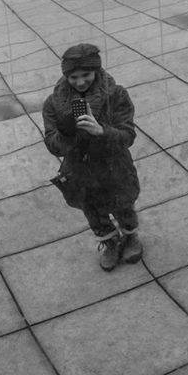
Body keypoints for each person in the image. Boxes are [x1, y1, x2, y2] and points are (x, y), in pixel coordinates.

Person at [43, 43, 142, 271]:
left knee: (124, 205)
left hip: (114, 165)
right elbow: (52, 144)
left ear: (96, 71)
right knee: (93, 212)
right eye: (73, 77)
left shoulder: (116, 95)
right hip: (80, 169)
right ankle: (110, 243)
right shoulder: (53, 103)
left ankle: (130, 236)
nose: (80, 82)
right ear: (65, 76)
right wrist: (67, 134)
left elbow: (128, 135)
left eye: (86, 75)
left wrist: (102, 131)